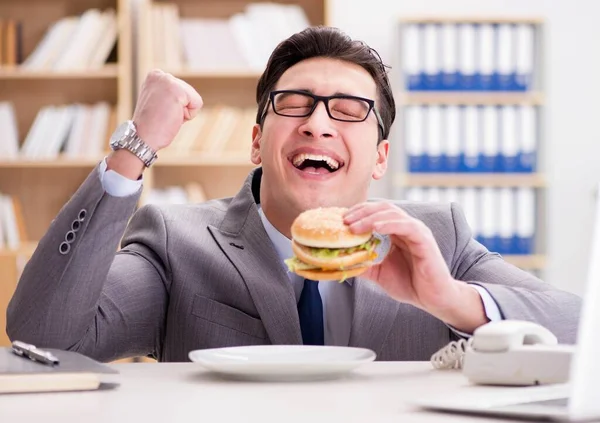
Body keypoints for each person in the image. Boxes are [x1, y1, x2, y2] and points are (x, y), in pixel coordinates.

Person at [7, 26, 581, 363]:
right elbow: (43, 336)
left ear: (380, 157)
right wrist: (133, 149)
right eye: (295, 103)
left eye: (349, 110)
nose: (319, 124)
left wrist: (450, 299)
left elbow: (582, 329)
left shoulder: (435, 237)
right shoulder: (175, 241)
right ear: (257, 142)